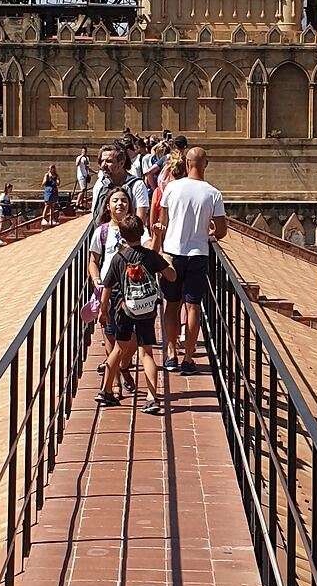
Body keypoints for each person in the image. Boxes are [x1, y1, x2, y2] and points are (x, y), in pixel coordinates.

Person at [152, 143, 227, 371]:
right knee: (193, 306)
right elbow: (221, 231)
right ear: (205, 165)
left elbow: (162, 223)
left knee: (172, 305)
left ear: (187, 164)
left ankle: (171, 353)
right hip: (198, 254)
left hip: (173, 253)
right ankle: (188, 359)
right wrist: (210, 231)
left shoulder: (172, 188)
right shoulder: (213, 193)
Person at [99, 210, 175, 415]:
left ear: (122, 236)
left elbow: (107, 286)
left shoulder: (118, 258)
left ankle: (105, 390)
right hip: (147, 311)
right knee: (146, 352)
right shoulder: (150, 256)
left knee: (118, 349)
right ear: (142, 232)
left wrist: (103, 310)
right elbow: (171, 277)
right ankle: (152, 396)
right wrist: (166, 260)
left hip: (124, 309)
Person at [88, 186, 134, 400]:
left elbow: (148, 248)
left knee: (131, 337)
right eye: (115, 200)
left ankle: (123, 366)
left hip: (131, 288)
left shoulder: (136, 229)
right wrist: (96, 280)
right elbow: (93, 261)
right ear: (108, 206)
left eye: (124, 200)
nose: (120, 204)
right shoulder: (102, 231)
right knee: (109, 334)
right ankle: (114, 381)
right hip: (109, 288)